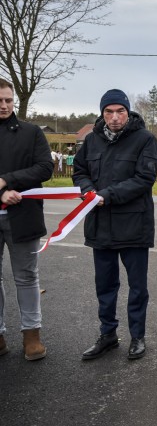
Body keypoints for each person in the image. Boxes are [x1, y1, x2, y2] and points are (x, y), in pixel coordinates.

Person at [73, 89, 157, 361]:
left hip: (134, 226)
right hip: (100, 227)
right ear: (102, 114)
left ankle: (137, 336)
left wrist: (106, 196)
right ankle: (108, 335)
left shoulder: (145, 140)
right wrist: (87, 189)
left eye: (119, 111)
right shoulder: (91, 141)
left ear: (128, 112)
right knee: (105, 286)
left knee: (137, 287)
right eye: (109, 112)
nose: (114, 117)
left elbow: (144, 178)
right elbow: (79, 171)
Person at [0, 77, 52, 361]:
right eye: (0, 101)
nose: (5, 105)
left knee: (27, 276)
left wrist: (7, 181)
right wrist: (2, 194)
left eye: (9, 100)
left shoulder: (31, 132)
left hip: (24, 215)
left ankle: (32, 336)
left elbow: (44, 168)